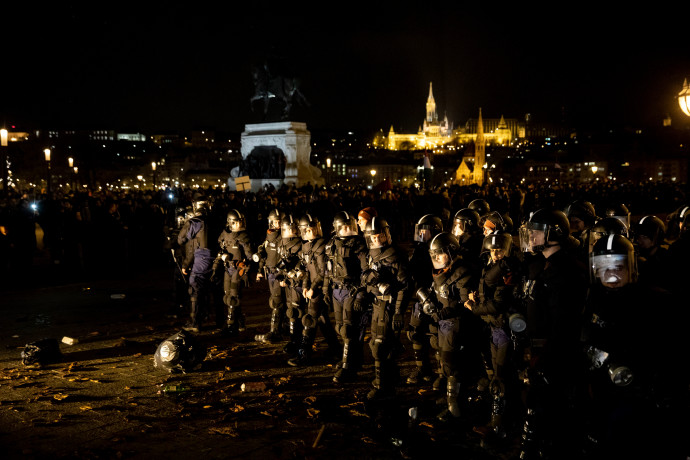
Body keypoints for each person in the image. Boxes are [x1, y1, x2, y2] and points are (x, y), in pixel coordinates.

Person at [580, 234, 687, 459]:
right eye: (604, 268)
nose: (611, 275)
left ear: (631, 267)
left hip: (642, 397)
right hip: (602, 393)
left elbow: (673, 354)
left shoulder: (657, 302)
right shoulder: (591, 299)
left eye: (618, 267)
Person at [515, 207, 588, 459]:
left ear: (553, 234)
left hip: (554, 352)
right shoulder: (539, 265)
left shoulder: (568, 271)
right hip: (536, 347)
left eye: (536, 231)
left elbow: (564, 323)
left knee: (552, 405)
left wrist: (546, 356)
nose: (531, 236)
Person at [417, 232, 480, 420]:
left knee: (454, 366)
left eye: (440, 254)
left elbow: (464, 304)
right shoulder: (441, 271)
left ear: (452, 252)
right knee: (444, 360)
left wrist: (442, 312)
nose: (436, 258)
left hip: (456, 325)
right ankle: (448, 399)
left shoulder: (463, 272)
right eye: (433, 255)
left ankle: (456, 409)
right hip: (443, 324)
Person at [465, 231, 521, 441]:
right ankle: (507, 420)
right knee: (503, 376)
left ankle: (499, 427)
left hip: (503, 328)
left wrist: (474, 307)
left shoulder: (508, 270)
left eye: (499, 250)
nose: (496, 254)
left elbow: (498, 304)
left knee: (501, 377)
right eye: (493, 250)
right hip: (496, 327)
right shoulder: (494, 267)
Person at [360, 217, 411, 400]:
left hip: (389, 305)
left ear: (386, 235)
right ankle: (391, 378)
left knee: (380, 345)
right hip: (376, 304)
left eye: (379, 236)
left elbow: (404, 287)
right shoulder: (369, 255)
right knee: (378, 342)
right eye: (372, 237)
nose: (375, 240)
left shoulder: (396, 256)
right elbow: (364, 276)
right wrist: (368, 278)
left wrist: (398, 312)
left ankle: (382, 386)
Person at [287, 213, 341, 367]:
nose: (312, 232)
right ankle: (336, 349)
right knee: (323, 320)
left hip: (321, 288)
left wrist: (312, 288)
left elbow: (323, 272)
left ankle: (304, 353)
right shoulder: (305, 246)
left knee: (310, 319)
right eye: (309, 230)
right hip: (312, 288)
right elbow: (305, 270)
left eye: (314, 229)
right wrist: (305, 286)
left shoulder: (322, 245)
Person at [323, 211, 369, 383]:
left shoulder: (359, 245)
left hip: (352, 290)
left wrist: (361, 295)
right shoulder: (331, 244)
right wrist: (326, 289)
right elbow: (328, 270)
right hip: (336, 290)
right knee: (341, 327)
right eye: (344, 227)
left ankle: (347, 366)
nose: (348, 230)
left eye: (350, 226)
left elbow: (366, 272)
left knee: (350, 329)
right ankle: (351, 360)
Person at [406, 214, 444, 386]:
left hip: (437, 297)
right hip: (420, 297)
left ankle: (442, 373)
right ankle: (423, 369)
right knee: (415, 333)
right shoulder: (418, 250)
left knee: (437, 337)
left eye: (425, 231)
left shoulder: (441, 248)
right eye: (419, 231)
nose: (421, 234)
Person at [212, 209, 255, 336]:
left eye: (241, 222)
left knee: (233, 296)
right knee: (227, 296)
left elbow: (250, 256)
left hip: (238, 269)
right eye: (237, 222)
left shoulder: (243, 236)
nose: (240, 225)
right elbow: (220, 251)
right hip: (228, 268)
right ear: (230, 223)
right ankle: (240, 321)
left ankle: (231, 325)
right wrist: (216, 266)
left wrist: (248, 269)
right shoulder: (224, 235)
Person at [176, 197, 216, 333]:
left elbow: (181, 240)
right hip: (215, 258)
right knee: (210, 289)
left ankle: (195, 322)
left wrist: (186, 263)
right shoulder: (215, 218)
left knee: (195, 287)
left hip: (201, 258)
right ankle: (212, 318)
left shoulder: (195, 222)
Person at [276, 212, 307, 356]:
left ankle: (301, 342)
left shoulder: (301, 244)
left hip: (298, 282)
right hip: (289, 283)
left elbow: (305, 265)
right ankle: (294, 340)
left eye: (292, 228)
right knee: (291, 311)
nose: (290, 231)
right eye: (287, 228)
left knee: (298, 311)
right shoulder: (281, 242)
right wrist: (281, 277)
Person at [254, 208, 287, 343]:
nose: (277, 225)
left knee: (277, 302)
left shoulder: (284, 237)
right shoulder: (269, 235)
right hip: (270, 272)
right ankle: (282, 328)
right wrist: (260, 270)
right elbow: (265, 252)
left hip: (279, 273)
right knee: (276, 301)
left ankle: (275, 331)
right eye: (274, 222)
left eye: (279, 222)